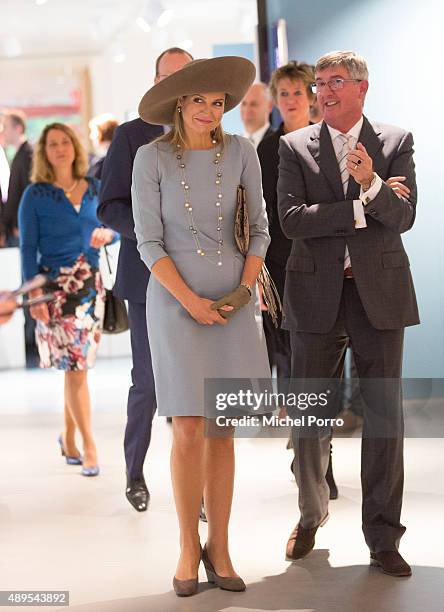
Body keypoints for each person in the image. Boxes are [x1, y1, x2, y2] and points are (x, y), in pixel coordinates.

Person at [132, 56, 270, 596]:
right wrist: (189, 300)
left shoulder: (242, 152)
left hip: (235, 306)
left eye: (218, 103)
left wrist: (243, 292)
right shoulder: (150, 158)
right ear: (179, 104)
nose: (209, 111)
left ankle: (222, 547)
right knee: (187, 429)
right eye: (199, 102)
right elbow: (147, 242)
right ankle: (189, 546)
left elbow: (259, 230)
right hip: (173, 302)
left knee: (223, 431)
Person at [278, 50, 418, 577]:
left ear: (362, 87)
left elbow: (404, 216)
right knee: (310, 417)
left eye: (337, 82)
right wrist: (363, 207)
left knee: (384, 417)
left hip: (378, 293)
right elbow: (292, 220)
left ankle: (383, 537)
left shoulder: (395, 141)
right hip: (315, 295)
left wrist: (375, 183)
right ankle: (311, 514)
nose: (325, 92)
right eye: (319, 84)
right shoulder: (293, 147)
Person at [98, 47, 193, 512]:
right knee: (149, 382)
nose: (174, 85)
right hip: (147, 278)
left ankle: (195, 488)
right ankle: (135, 472)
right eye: (166, 76)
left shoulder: (212, 134)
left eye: (184, 76)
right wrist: (151, 234)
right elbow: (109, 205)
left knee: (194, 386)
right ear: (154, 81)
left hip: (202, 278)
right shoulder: (131, 136)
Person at [257, 61, 338, 499]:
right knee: (294, 363)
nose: (290, 100)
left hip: (323, 264)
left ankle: (323, 460)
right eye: (282, 93)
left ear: (310, 95)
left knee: (324, 370)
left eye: (296, 92)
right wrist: (263, 279)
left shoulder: (326, 141)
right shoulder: (266, 150)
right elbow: (259, 217)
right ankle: (307, 460)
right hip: (280, 268)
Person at [19, 122, 117, 477]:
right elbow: (28, 249)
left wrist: (109, 233)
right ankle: (90, 447)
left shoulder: (94, 188)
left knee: (75, 369)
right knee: (76, 369)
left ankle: (68, 436)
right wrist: (33, 296)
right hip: (54, 291)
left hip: (91, 288)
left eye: (65, 142)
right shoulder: (35, 194)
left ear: (75, 147)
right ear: (44, 152)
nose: (60, 149)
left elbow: (115, 225)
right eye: (52, 144)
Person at [1, 110, 33, 247]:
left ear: (18, 128)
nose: (3, 131)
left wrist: (20, 223)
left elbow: (28, 193)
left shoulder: (27, 155)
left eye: (6, 126)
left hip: (21, 227)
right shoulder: (19, 155)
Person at [240, 82, 274, 148]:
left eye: (253, 104)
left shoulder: (280, 143)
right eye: (244, 103)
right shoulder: (233, 145)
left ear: (269, 106)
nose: (247, 109)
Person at [87, 114, 119, 179]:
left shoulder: (102, 163)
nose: (91, 136)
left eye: (93, 131)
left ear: (102, 132)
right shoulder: (120, 154)